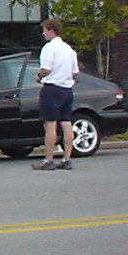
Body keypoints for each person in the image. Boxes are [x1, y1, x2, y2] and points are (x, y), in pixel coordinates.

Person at [34, 17, 80, 170]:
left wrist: (39, 76)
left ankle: (48, 160)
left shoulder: (49, 48)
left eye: (44, 31)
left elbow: (46, 69)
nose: (43, 34)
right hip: (67, 89)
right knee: (66, 123)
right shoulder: (69, 50)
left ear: (51, 31)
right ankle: (67, 159)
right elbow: (74, 72)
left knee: (50, 125)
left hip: (52, 89)